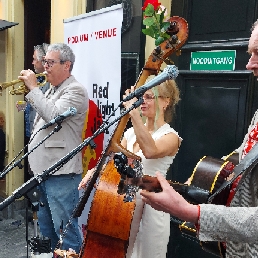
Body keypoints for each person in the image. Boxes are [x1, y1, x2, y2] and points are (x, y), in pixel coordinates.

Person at [140, 20, 258, 258]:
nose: (249, 64)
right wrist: (213, 173)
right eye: (250, 53)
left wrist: (192, 212)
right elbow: (246, 154)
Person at [78, 79, 182, 257]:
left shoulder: (171, 136)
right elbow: (114, 164)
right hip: (124, 208)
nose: (142, 101)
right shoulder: (131, 133)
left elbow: (150, 150)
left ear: (166, 101)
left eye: (149, 97)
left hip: (151, 207)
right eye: (141, 96)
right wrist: (95, 172)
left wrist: (133, 113)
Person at [18, 43, 89, 253]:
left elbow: (53, 117)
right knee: (48, 233)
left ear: (66, 65)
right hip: (45, 172)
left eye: (50, 62)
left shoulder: (75, 90)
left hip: (62, 174)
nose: (44, 66)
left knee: (66, 234)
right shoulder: (52, 89)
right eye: (45, 62)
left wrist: (33, 88)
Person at [25, 43, 50, 138]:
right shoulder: (38, 80)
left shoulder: (48, 81)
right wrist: (24, 106)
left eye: (34, 59)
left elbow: (44, 106)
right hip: (31, 133)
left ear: (43, 60)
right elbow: (33, 106)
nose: (32, 63)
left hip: (40, 134)